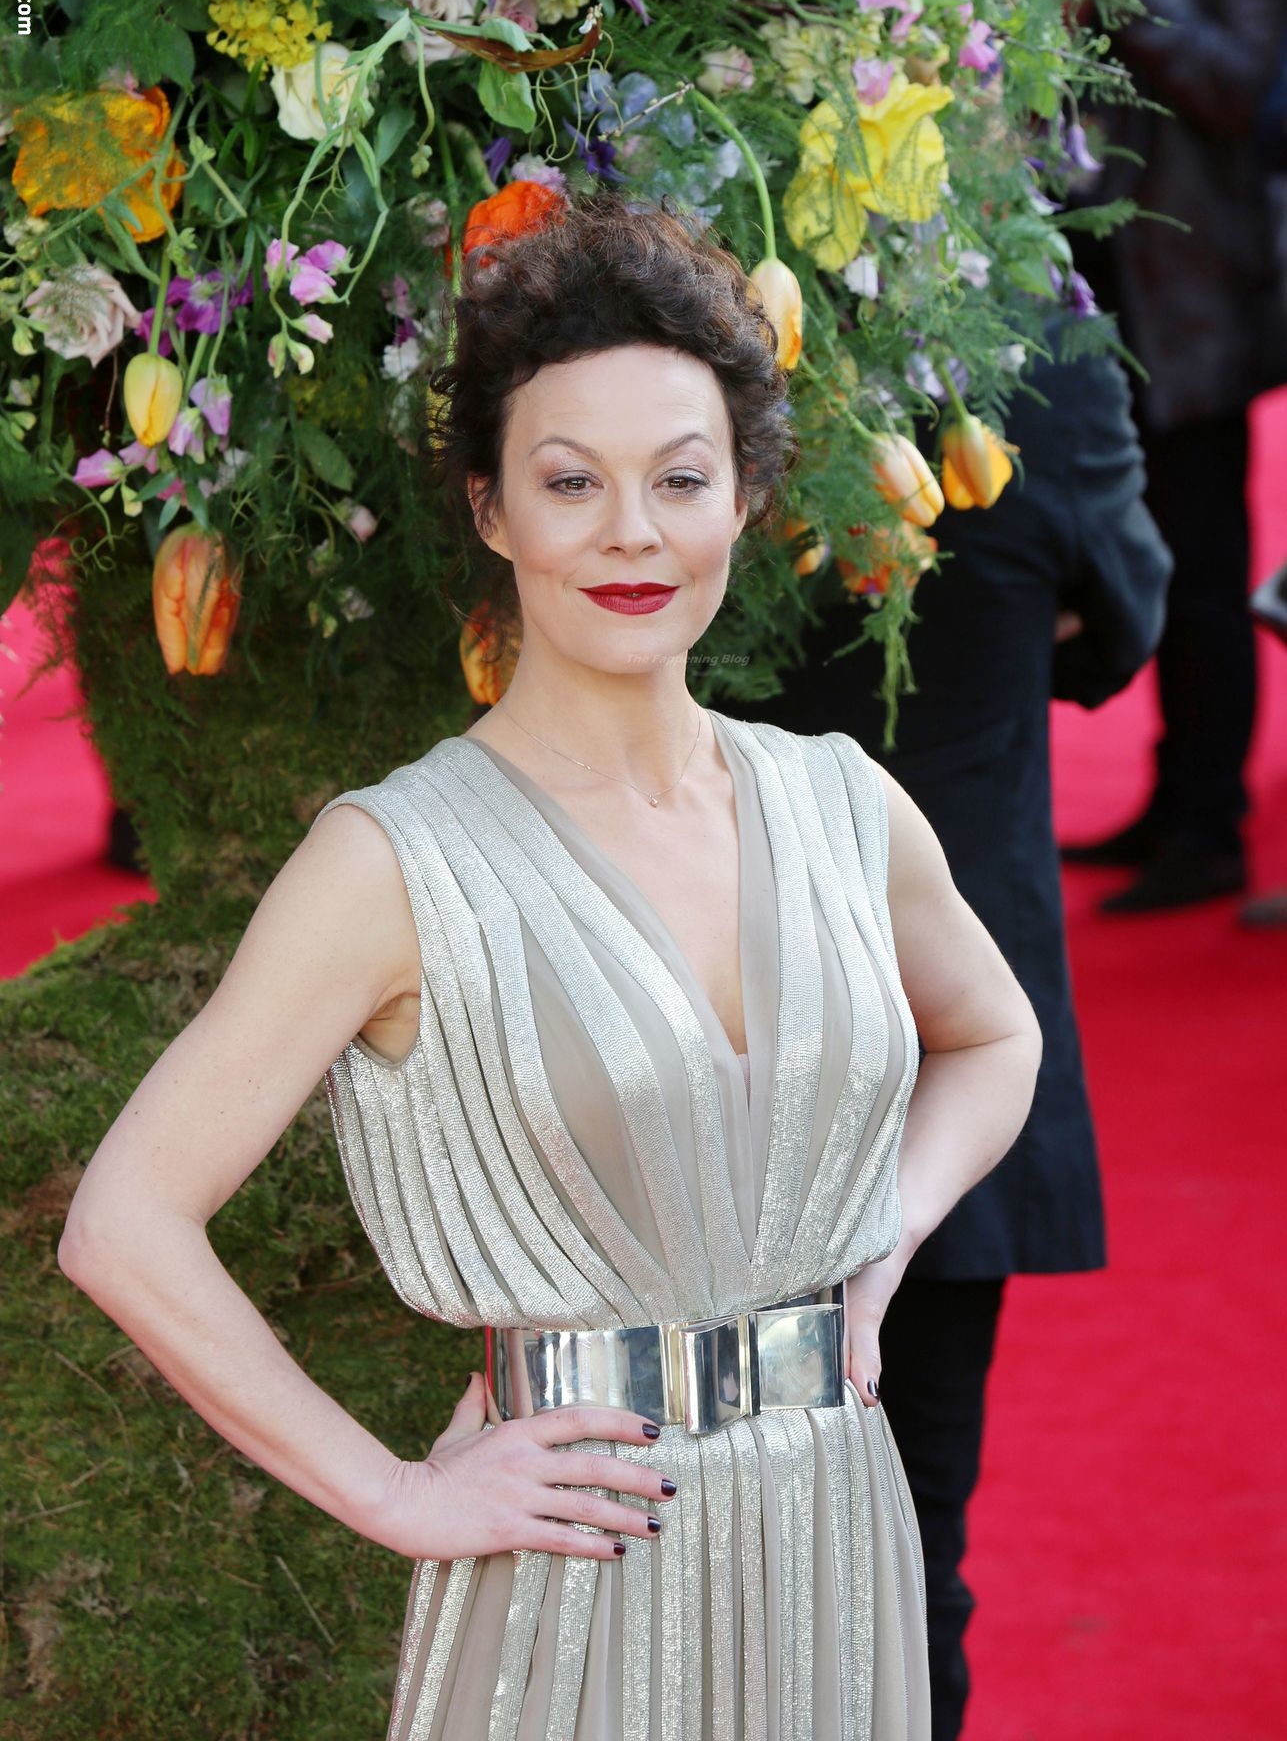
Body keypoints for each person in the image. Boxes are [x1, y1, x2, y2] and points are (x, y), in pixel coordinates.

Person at [56, 192, 1043, 1741]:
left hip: (831, 1535)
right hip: (582, 1567)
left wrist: (885, 1235)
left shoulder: (839, 803)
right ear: (492, 511)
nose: (631, 533)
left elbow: (993, 1038)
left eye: (679, 479)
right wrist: (394, 1495)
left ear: (743, 498)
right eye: (570, 482)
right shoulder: (393, 862)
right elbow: (124, 1224)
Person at [756, 323, 1172, 1739]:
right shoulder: (1033, 341)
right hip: (941, 1020)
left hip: (698, 1018)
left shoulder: (650, 320)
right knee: (905, 1547)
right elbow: (1123, 616)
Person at [1062, 0, 1287, 910]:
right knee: (1129, 557)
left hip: (1194, 311)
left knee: (1202, 572)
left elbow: (1239, 89)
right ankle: (1170, 800)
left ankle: (1209, 823)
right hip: (1098, 293)